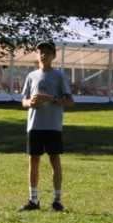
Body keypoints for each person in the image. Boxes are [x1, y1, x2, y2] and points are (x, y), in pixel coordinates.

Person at [19, 41, 74, 212]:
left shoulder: (59, 76)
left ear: (54, 56)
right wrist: (31, 103)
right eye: (41, 52)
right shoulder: (31, 76)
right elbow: (24, 101)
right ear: (37, 55)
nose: (44, 55)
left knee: (54, 160)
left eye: (48, 53)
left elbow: (70, 102)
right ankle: (33, 200)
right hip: (34, 125)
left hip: (53, 126)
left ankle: (57, 201)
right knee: (33, 161)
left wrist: (50, 99)